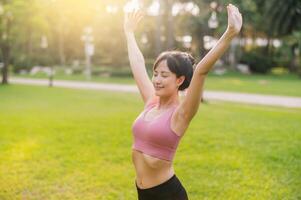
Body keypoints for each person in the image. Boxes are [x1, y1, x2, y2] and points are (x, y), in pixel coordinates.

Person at [124, 4, 242, 200]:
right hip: (143, 193)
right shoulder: (151, 102)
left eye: (164, 75)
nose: (157, 79)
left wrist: (229, 34)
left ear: (179, 80)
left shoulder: (181, 114)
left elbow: (202, 70)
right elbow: (137, 62)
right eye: (155, 74)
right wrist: (128, 33)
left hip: (167, 194)